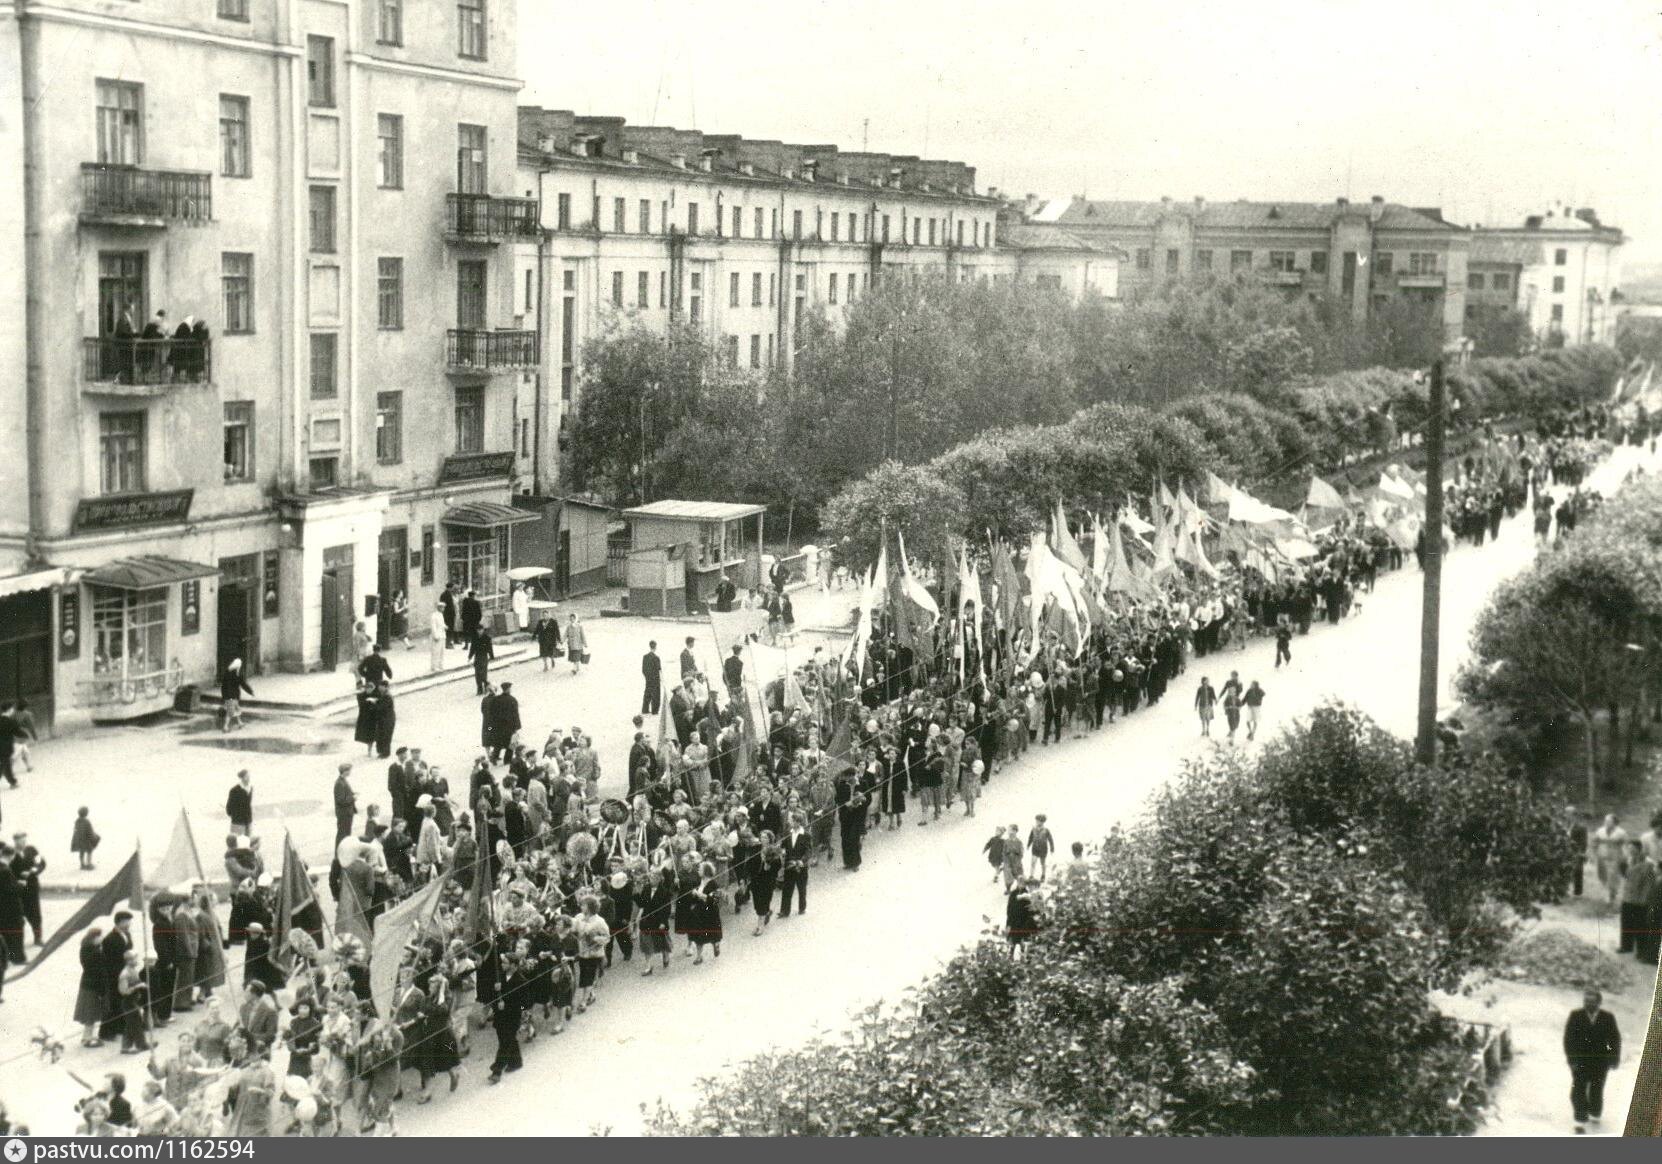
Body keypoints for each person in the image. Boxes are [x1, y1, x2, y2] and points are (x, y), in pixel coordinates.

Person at [1564, 988, 1620, 1131]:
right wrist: (1572, 1060)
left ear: (1599, 1002)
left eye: (1592, 1002)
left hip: (1600, 1062)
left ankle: (1595, 1111)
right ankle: (1580, 1119)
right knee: (1578, 1089)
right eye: (1586, 1001)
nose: (1588, 1004)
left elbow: (1615, 1039)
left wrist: (1614, 1059)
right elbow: (1568, 1039)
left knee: (1597, 1089)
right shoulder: (1576, 1016)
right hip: (1580, 1061)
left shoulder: (1608, 1017)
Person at [9, 832, 44, 945]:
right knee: (18, 915)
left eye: (25, 840)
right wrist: (17, 877)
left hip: (32, 887)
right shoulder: (10, 852)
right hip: (18, 889)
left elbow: (41, 863)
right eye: (21, 841)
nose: (23, 843)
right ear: (15, 841)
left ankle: (37, 937)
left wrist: (35, 870)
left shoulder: (31, 850)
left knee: (35, 914)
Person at [76, 926, 108, 1046]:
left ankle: (88, 1036)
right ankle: (87, 1038)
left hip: (88, 984)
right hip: (93, 986)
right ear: (94, 937)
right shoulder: (94, 951)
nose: (102, 938)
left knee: (91, 1012)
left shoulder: (87, 948)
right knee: (90, 1013)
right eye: (100, 936)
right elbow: (97, 969)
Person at [1592, 814, 1630, 909]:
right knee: (1602, 875)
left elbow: (1626, 845)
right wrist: (1594, 853)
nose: (1606, 823)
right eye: (1605, 821)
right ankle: (1608, 892)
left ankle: (1612, 896)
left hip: (1615, 856)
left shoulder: (1621, 832)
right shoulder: (1600, 830)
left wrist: (1625, 856)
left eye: (1609, 821)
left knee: (1613, 876)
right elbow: (1594, 842)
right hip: (1602, 855)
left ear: (1614, 822)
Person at [779, 812, 810, 918]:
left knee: (801, 888)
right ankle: (784, 911)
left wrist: (803, 860)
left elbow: (808, 850)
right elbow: (783, 846)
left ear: (797, 822)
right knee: (787, 888)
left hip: (800, 866)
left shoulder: (805, 835)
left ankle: (802, 908)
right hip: (789, 864)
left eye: (792, 821)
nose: (790, 822)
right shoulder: (788, 833)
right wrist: (783, 851)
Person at [219, 659, 253, 733]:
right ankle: (225, 727)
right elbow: (243, 685)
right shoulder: (237, 675)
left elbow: (223, 686)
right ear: (238, 666)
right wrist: (250, 692)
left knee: (236, 709)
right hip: (233, 696)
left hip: (228, 696)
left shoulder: (227, 672)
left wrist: (224, 696)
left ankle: (240, 723)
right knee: (230, 712)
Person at [333, 764, 356, 844]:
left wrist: (352, 793)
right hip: (344, 813)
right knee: (342, 835)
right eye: (349, 770)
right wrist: (353, 798)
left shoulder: (343, 780)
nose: (350, 772)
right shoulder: (340, 783)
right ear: (345, 771)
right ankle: (338, 855)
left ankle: (344, 853)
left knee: (346, 835)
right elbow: (341, 800)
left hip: (347, 813)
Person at [225, 770, 254, 836]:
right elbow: (229, 807)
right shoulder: (234, 790)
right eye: (247, 776)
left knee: (248, 842)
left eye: (249, 776)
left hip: (248, 821)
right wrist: (235, 816)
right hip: (238, 822)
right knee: (238, 842)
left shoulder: (250, 788)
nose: (249, 778)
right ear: (242, 778)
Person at [469, 625, 495, 695]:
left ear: (483, 630)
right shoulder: (474, 638)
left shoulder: (487, 638)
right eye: (478, 630)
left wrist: (491, 656)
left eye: (480, 630)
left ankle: (486, 684)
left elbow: (490, 648)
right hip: (477, 657)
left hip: (484, 656)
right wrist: (470, 656)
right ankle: (480, 688)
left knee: (483, 672)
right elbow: (472, 648)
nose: (479, 631)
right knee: (477, 673)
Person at [1027, 814, 1055, 881]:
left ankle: (1043, 875)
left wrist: (1052, 848)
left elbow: (1050, 840)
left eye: (1038, 821)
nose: (1036, 822)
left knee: (1042, 863)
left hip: (1043, 849)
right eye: (1036, 821)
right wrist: (1028, 845)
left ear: (1042, 822)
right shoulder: (1033, 829)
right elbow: (1030, 837)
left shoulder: (1046, 830)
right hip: (1035, 848)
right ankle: (1031, 875)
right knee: (1033, 862)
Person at [641, 640, 662, 715]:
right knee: (656, 696)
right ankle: (654, 711)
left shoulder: (645, 657)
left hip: (648, 679)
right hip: (655, 680)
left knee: (647, 694)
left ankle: (645, 709)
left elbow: (643, 670)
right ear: (655, 647)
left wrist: (647, 677)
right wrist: (660, 679)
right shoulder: (656, 658)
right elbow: (659, 670)